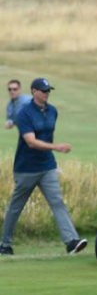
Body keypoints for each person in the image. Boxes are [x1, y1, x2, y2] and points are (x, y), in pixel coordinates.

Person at [0, 78, 87, 256]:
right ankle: (4, 244)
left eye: (48, 90)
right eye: (43, 90)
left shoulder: (53, 111)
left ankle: (71, 242)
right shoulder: (24, 114)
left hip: (47, 166)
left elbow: (48, 137)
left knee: (57, 202)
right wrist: (57, 148)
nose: (46, 93)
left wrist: (54, 163)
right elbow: (31, 142)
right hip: (26, 168)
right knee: (16, 207)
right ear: (34, 91)